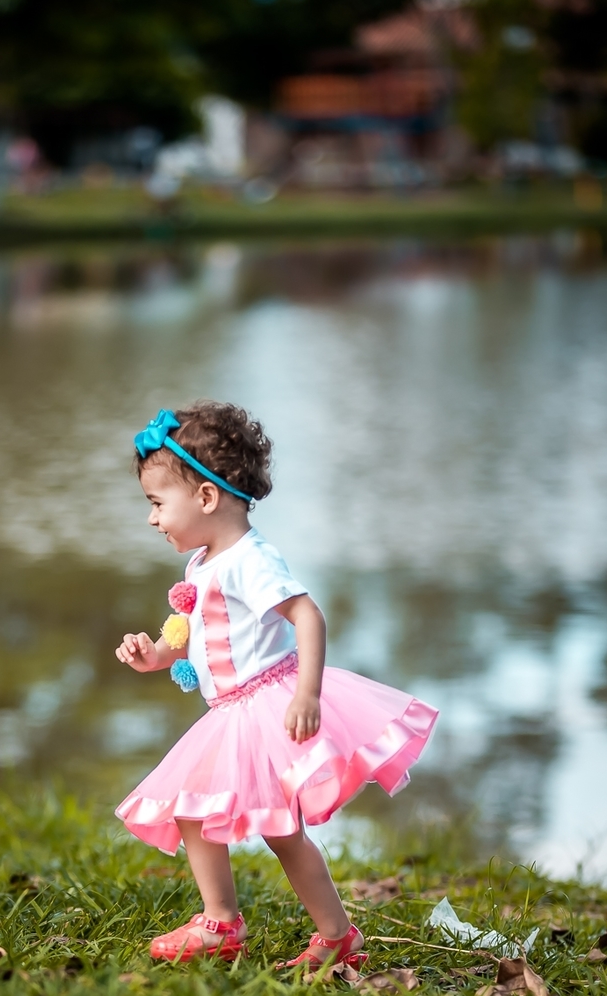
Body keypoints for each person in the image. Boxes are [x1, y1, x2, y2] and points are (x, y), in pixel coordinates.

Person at [114, 402, 438, 966]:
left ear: (207, 498)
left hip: (265, 706)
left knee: (282, 831)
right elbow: (187, 632)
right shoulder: (202, 564)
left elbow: (308, 616)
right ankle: (223, 923)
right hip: (230, 715)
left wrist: (306, 694)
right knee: (195, 811)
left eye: (157, 503)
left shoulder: (249, 560)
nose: (152, 518)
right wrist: (155, 655)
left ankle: (335, 936)